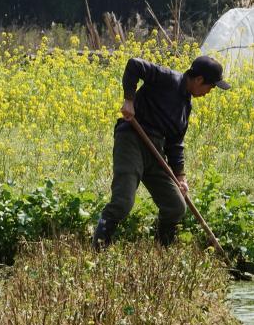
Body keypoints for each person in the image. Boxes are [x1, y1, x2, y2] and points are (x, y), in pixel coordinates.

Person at [92, 54, 230, 250]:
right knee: (123, 202)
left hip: (155, 149)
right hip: (132, 139)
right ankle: (99, 248)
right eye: (211, 87)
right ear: (199, 80)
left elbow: (175, 143)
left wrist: (181, 177)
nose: (209, 92)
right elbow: (134, 65)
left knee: (176, 206)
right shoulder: (168, 78)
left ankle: (162, 251)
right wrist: (129, 100)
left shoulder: (185, 106)